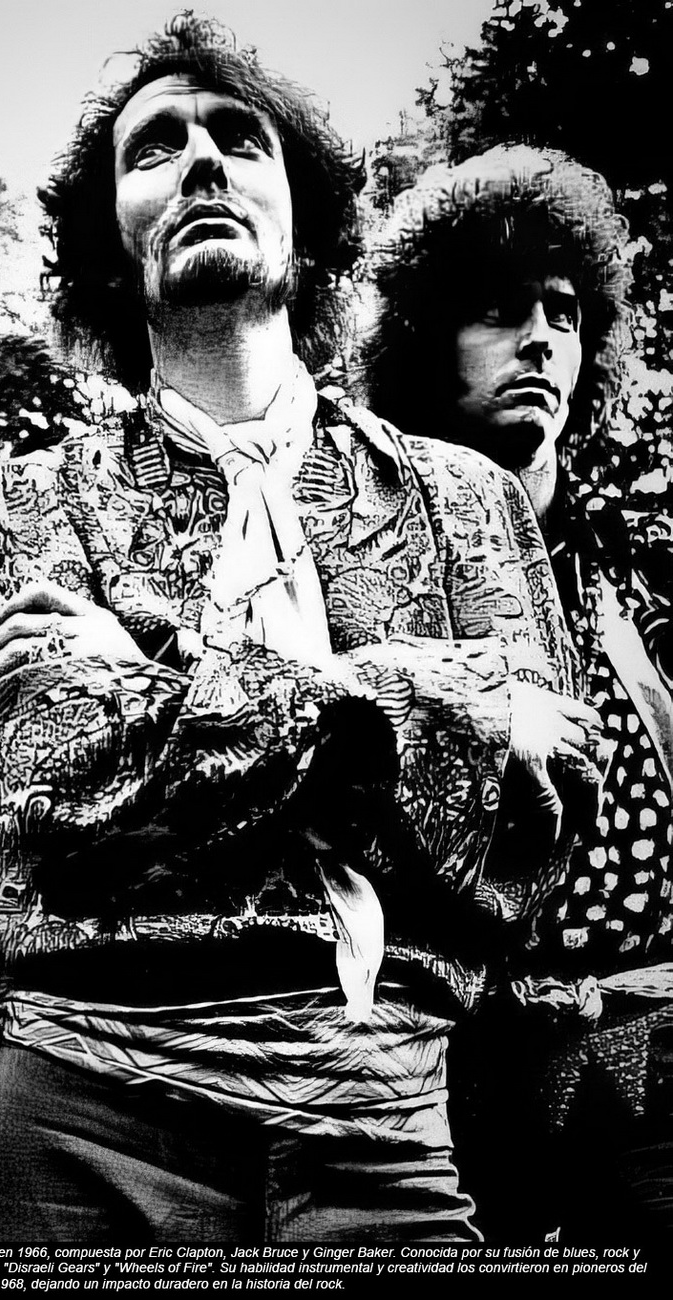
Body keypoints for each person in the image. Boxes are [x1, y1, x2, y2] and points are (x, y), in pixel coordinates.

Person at [0, 17, 597, 1244]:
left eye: (238, 138)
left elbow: (533, 816)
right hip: (84, 1099)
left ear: (306, 216)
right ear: (109, 244)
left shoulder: (466, 500)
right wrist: (422, 699)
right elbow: (60, 788)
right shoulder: (33, 499)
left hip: (383, 1110)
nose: (201, 161)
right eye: (153, 148)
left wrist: (165, 683)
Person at [365, 144, 673, 1238]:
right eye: (498, 310)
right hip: (432, 1086)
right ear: (425, 337)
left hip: (652, 1067)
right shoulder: (354, 557)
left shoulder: (641, 568)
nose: (540, 337)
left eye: (564, 312)